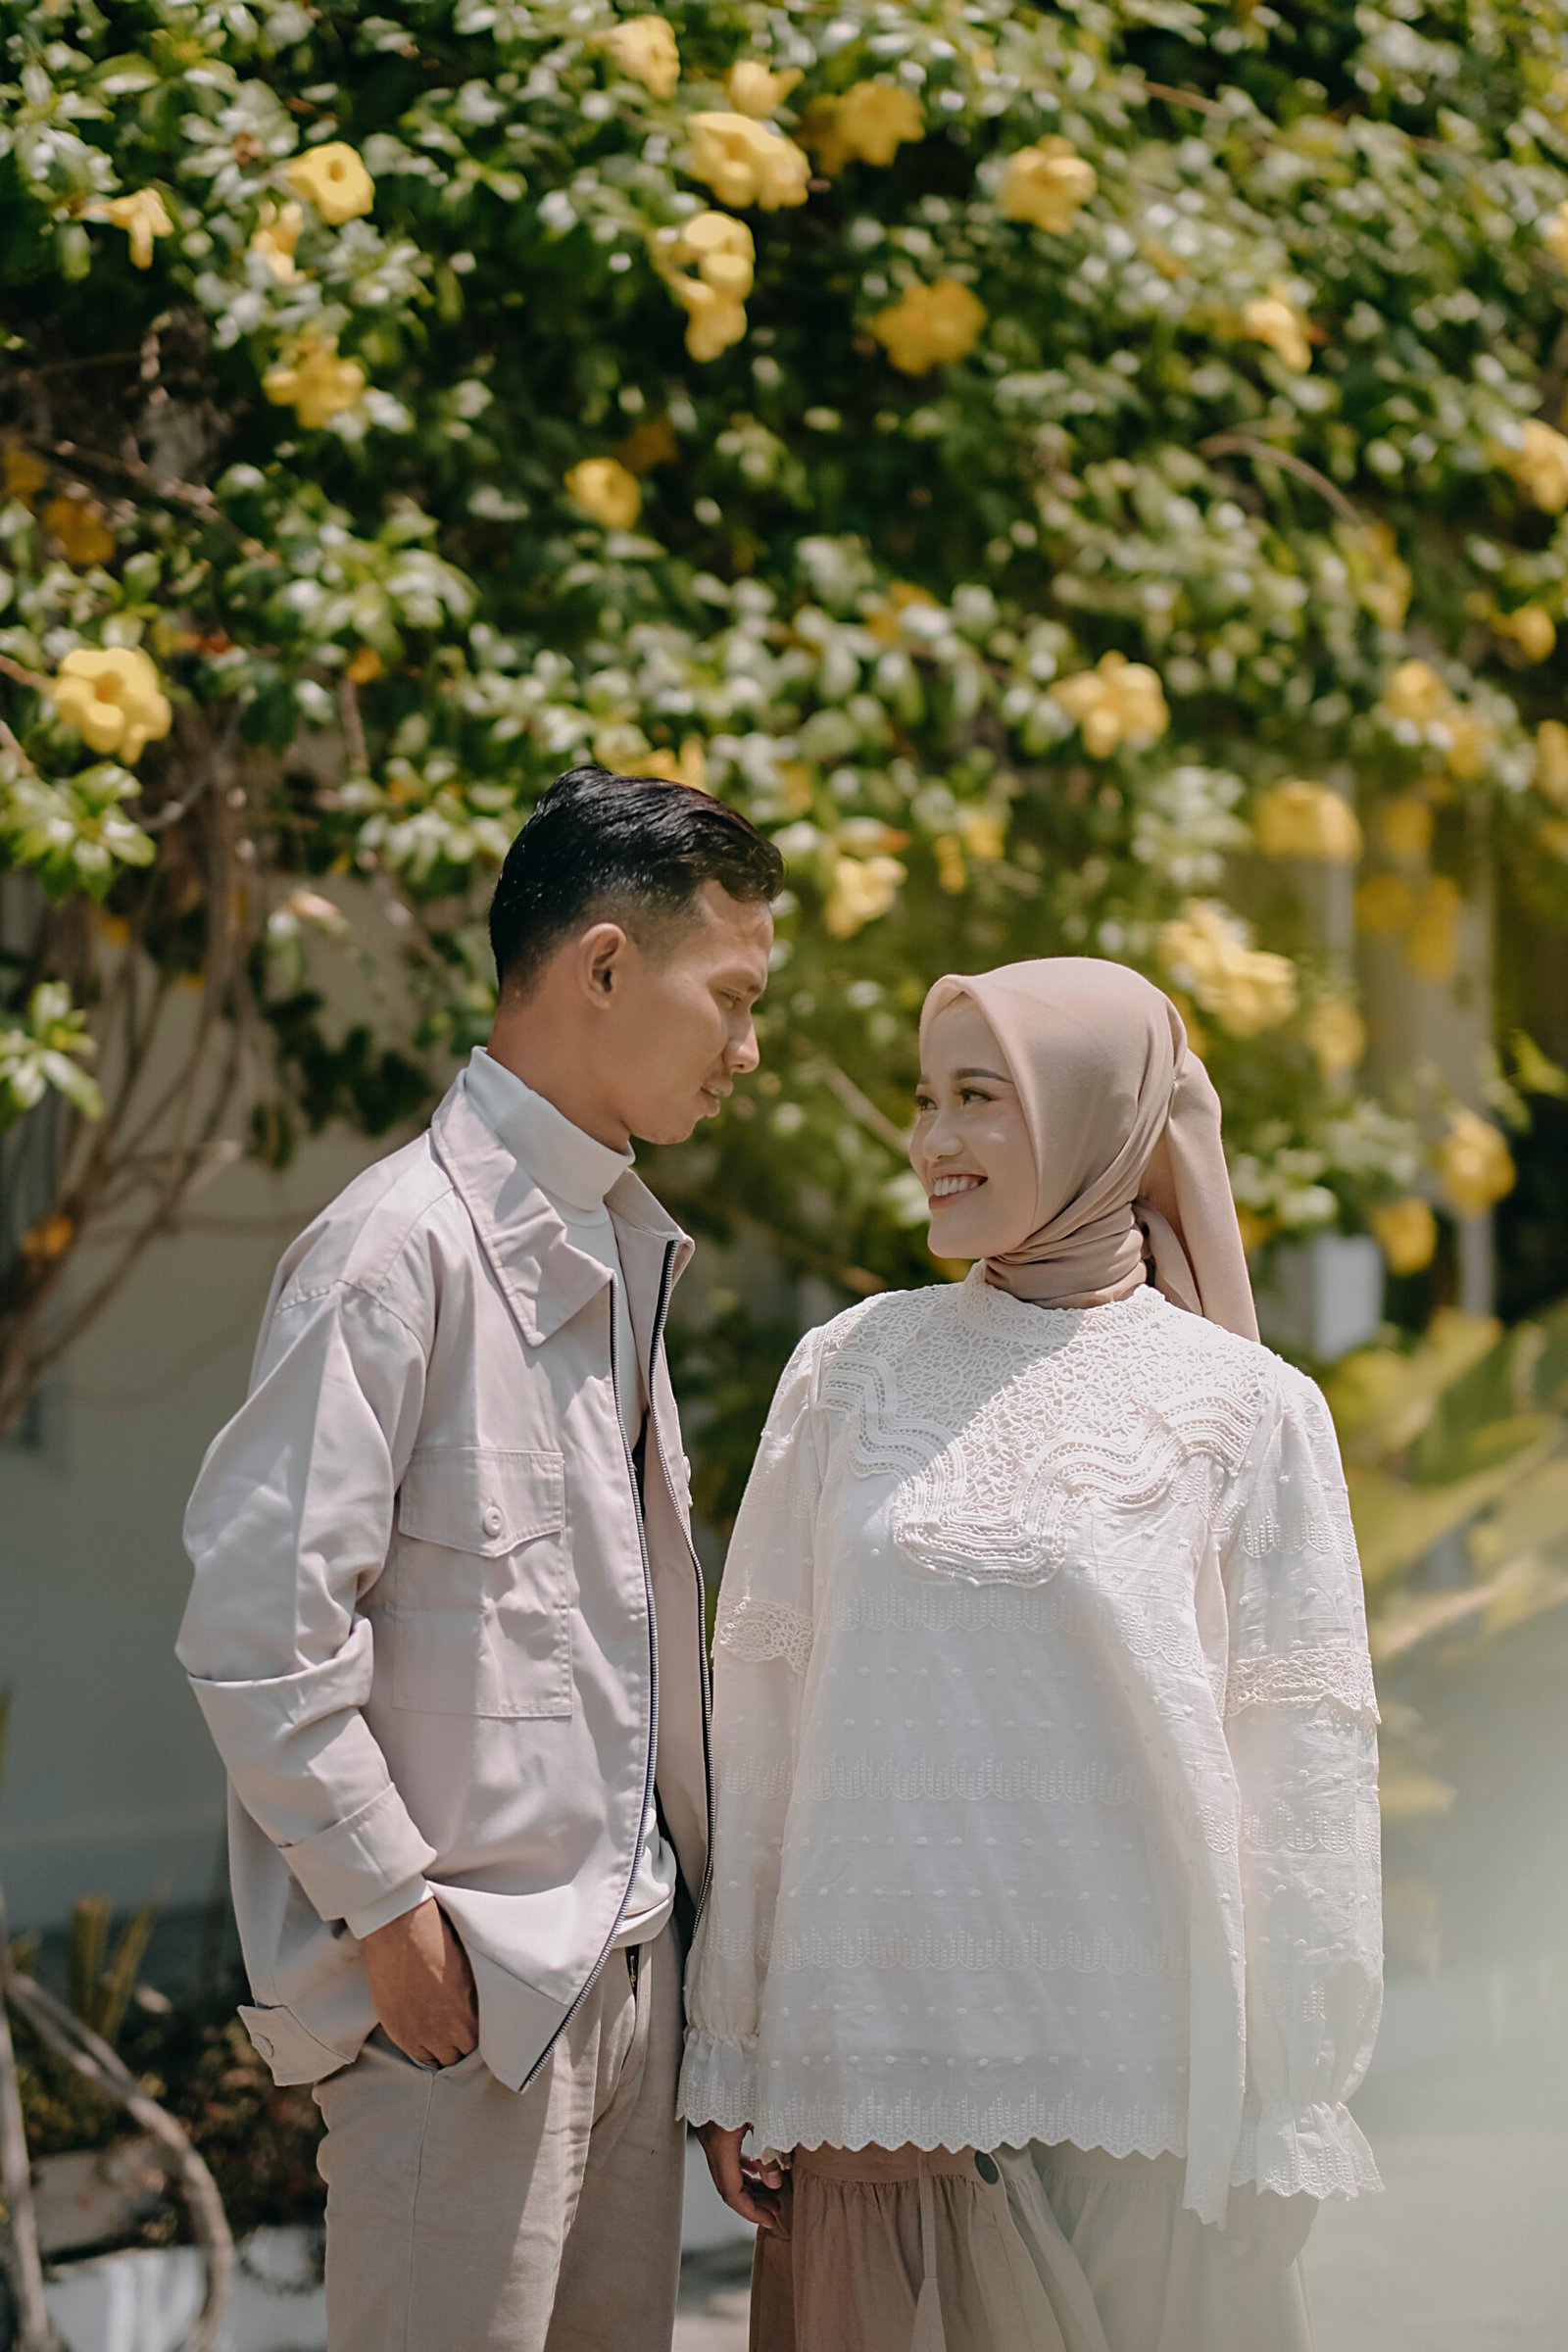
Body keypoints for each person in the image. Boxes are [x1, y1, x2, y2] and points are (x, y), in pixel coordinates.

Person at [682, 956, 1383, 2352]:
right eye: (925, 1099)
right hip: (873, 2072)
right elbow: (759, 1721)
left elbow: (1300, 1764)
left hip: (1151, 2098)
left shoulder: (1251, 1406)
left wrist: (1296, 2100)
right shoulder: (845, 1370)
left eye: (978, 1097)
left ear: (1094, 1118)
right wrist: (736, 2041)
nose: (933, 1141)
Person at [178, 766, 780, 2352]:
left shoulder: (619, 1238)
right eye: (731, 999)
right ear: (604, 968)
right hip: (461, 2007)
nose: (748, 1050)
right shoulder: (394, 1252)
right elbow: (256, 1632)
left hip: (629, 1976)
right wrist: (391, 1918)